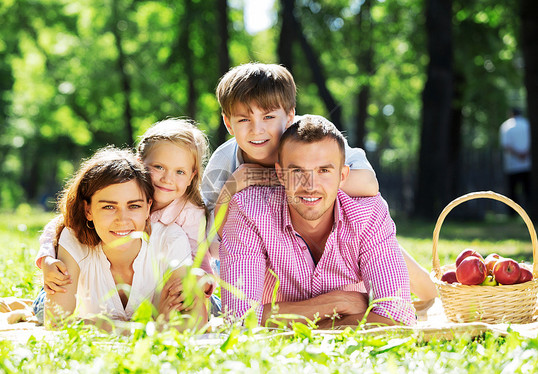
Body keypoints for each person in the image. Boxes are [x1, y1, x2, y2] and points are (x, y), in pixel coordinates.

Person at [201, 62, 436, 302]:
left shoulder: (312, 135)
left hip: (330, 231)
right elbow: (214, 241)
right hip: (266, 247)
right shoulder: (223, 161)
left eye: (269, 116)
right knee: (268, 305)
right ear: (228, 123)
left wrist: (271, 178)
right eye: (243, 120)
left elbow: (368, 184)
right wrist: (233, 186)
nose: (257, 130)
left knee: (427, 293)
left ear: (290, 116)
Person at [220, 115, 415, 327]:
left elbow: (398, 315)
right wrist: (337, 303)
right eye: (297, 171)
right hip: (345, 326)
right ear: (280, 174)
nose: (310, 185)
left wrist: (289, 327)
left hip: (284, 336)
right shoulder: (249, 211)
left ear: (342, 175)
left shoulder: (369, 214)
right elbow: (238, 318)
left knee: (429, 291)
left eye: (323, 170)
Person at [34, 119, 216, 321]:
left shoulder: (188, 214)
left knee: (211, 307)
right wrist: (47, 259)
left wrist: (201, 280)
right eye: (158, 167)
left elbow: (198, 257)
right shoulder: (122, 186)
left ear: (192, 176)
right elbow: (62, 225)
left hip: (178, 279)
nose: (167, 179)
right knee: (43, 310)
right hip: (95, 280)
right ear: (139, 163)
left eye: (134, 206)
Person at [500, 107, 531, 208]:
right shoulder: (527, 124)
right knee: (528, 189)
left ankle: (512, 212)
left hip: (512, 164)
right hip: (527, 162)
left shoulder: (506, 126)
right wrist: (524, 154)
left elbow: (506, 146)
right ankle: (530, 209)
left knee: (512, 190)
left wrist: (518, 154)